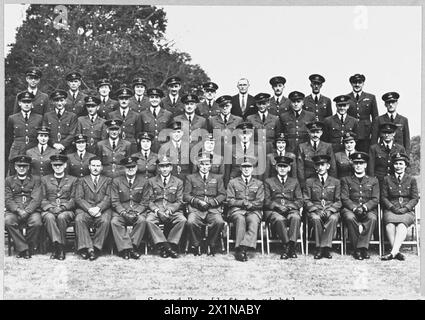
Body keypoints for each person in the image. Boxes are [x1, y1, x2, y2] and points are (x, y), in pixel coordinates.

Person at [144, 155, 187, 258]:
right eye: (162, 166)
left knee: (182, 220)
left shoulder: (178, 182)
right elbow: (148, 200)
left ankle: (171, 244)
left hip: (172, 210)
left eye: (167, 166)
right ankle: (165, 246)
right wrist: (157, 210)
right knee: (149, 220)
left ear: (171, 167)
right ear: (158, 168)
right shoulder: (151, 181)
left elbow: (180, 201)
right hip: (157, 210)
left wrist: (170, 210)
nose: (164, 169)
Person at [183, 152, 226, 256]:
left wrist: (211, 203)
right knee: (191, 222)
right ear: (198, 165)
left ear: (211, 165)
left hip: (212, 208)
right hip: (196, 209)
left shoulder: (218, 178)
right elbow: (186, 196)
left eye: (207, 164)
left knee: (219, 222)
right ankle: (196, 244)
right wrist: (197, 202)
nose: (204, 167)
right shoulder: (191, 177)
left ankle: (212, 243)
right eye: (202, 164)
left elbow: (222, 194)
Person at [341, 152, 379, 260]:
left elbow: (375, 199)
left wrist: (365, 207)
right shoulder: (346, 180)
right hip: (350, 209)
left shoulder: (373, 180)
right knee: (349, 217)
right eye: (356, 163)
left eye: (361, 163)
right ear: (352, 165)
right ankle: (357, 249)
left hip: (368, 209)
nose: (358, 165)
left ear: (365, 165)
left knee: (372, 218)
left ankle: (362, 248)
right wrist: (354, 208)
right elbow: (344, 198)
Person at [381, 153, 419, 261]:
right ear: (393, 165)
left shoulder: (411, 179)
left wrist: (406, 208)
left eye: (401, 164)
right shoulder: (387, 179)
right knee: (389, 223)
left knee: (402, 224)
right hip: (391, 209)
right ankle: (397, 252)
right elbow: (383, 197)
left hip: (406, 211)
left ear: (405, 165)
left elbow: (415, 198)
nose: (398, 166)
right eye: (396, 164)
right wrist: (392, 207)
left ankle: (392, 252)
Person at [264, 156, 303, 259]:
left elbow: (299, 200)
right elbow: (266, 200)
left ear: (289, 168)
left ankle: (291, 246)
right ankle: (287, 246)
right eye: (280, 166)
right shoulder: (269, 181)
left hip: (290, 209)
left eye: (285, 166)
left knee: (296, 217)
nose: (282, 169)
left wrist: (289, 207)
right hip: (274, 211)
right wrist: (277, 206)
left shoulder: (294, 181)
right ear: (276, 168)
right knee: (279, 219)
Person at [226, 156, 264, 261]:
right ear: (241, 169)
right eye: (244, 167)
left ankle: (241, 248)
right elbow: (229, 200)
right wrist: (242, 202)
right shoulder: (233, 182)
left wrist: (251, 205)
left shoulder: (258, 183)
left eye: (249, 167)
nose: (246, 169)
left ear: (252, 169)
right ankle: (241, 249)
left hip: (253, 211)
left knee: (254, 220)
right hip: (237, 210)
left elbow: (260, 201)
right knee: (240, 219)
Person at [304, 154, 342, 259]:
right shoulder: (309, 181)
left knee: (334, 218)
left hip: (330, 210)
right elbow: (306, 199)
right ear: (315, 167)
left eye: (323, 165)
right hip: (315, 210)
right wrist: (316, 210)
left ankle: (323, 248)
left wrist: (330, 210)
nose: (320, 167)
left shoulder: (336, 182)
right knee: (315, 219)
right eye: (318, 165)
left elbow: (339, 201)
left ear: (328, 166)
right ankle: (322, 248)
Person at [74, 156, 112, 261]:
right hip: (86, 209)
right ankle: (87, 248)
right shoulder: (82, 180)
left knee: (105, 220)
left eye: (98, 166)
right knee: (79, 219)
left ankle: (96, 248)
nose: (95, 168)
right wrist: (90, 209)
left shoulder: (108, 180)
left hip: (102, 210)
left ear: (102, 168)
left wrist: (99, 208)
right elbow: (79, 198)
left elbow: (108, 197)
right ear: (89, 167)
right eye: (93, 165)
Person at [40, 154, 78, 260]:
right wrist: (50, 208)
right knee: (49, 217)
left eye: (60, 165)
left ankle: (57, 247)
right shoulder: (44, 179)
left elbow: (74, 199)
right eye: (55, 165)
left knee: (62, 217)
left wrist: (63, 208)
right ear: (52, 166)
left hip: (66, 210)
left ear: (65, 165)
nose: (57, 167)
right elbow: (42, 198)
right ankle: (59, 247)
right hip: (49, 209)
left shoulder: (73, 180)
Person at [111, 156, 148, 260]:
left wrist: (137, 212)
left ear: (136, 168)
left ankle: (131, 247)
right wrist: (123, 212)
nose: (130, 169)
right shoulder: (116, 181)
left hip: (137, 211)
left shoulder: (144, 181)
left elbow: (145, 200)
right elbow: (115, 200)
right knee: (115, 222)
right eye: (128, 167)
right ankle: (128, 249)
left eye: (133, 167)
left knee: (142, 220)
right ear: (124, 168)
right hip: (122, 211)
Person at [5, 155, 43, 259]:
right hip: (14, 211)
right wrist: (17, 210)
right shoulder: (8, 180)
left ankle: (27, 247)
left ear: (29, 167)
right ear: (15, 167)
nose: (22, 168)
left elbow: (36, 198)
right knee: (8, 220)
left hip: (31, 211)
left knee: (37, 222)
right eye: (19, 166)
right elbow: (8, 199)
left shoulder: (36, 179)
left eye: (24, 166)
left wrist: (27, 211)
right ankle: (24, 248)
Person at [7, 91, 43, 174]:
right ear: (19, 103)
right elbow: (8, 138)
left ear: (32, 103)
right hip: (17, 151)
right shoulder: (12, 118)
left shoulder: (39, 118)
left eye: (29, 102)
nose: (26, 104)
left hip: (33, 150)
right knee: (14, 174)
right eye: (24, 102)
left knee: (33, 175)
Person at [296, 121, 336, 189]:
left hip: (323, 180)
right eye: (312, 132)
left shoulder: (327, 146)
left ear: (321, 133)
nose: (315, 135)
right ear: (308, 132)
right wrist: (302, 183)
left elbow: (332, 166)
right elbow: (300, 167)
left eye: (317, 132)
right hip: (308, 179)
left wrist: (332, 182)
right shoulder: (302, 147)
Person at [346, 74, 378, 153]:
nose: (357, 85)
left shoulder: (371, 97)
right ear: (351, 84)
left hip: (366, 134)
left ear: (363, 83)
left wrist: (374, 136)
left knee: (365, 156)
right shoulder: (346, 98)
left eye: (359, 82)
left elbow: (375, 118)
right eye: (354, 82)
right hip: (351, 133)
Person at [42, 89, 78, 154]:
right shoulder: (47, 116)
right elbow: (45, 132)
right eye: (56, 101)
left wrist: (63, 144)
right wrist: (54, 144)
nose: (59, 103)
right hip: (51, 148)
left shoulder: (72, 116)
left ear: (66, 101)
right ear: (53, 102)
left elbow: (73, 133)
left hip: (67, 149)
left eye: (61, 100)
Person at [109, 86, 142, 154]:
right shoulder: (111, 115)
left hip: (132, 146)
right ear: (118, 100)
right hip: (117, 146)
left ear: (129, 100)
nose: (124, 101)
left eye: (126, 99)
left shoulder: (136, 115)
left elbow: (138, 133)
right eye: (121, 99)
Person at [139, 88, 173, 153]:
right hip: (148, 149)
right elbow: (139, 133)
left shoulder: (168, 114)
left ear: (160, 99)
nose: (154, 99)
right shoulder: (142, 114)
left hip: (164, 148)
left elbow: (171, 134)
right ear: (149, 99)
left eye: (157, 97)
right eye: (152, 97)